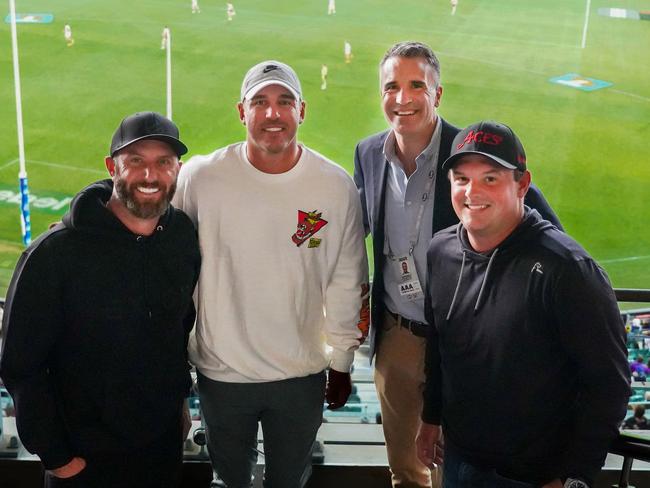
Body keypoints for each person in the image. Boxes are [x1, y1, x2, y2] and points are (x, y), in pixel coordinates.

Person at [353, 41, 562, 488]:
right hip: (398, 337)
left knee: (458, 466)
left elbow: (547, 229)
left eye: (416, 85)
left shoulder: (469, 152)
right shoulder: (369, 153)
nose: (402, 98)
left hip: (464, 339)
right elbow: (355, 232)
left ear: (438, 93)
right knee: (406, 466)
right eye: (391, 86)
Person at [173, 60, 369, 488]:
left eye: (284, 101)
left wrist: (341, 361)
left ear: (302, 110)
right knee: (228, 481)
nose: (272, 114)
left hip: (300, 374)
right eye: (259, 102)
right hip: (222, 374)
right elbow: (173, 271)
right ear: (242, 112)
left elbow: (346, 279)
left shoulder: (335, 187)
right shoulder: (200, 179)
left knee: (290, 481)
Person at [416, 120, 631, 488]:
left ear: (523, 184)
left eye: (490, 178)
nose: (472, 191)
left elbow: (610, 384)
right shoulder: (440, 250)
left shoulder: (567, 269)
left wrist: (573, 476)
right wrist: (431, 417)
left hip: (534, 476)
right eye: (461, 179)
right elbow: (439, 345)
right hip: (457, 461)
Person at [0, 112, 201, 488]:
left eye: (163, 163)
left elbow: (177, 328)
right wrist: (58, 457)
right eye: (135, 162)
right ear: (112, 167)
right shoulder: (54, 254)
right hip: (84, 460)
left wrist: (177, 406)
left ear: (178, 169)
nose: (149, 176)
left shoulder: (182, 237)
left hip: (160, 451)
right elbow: (20, 364)